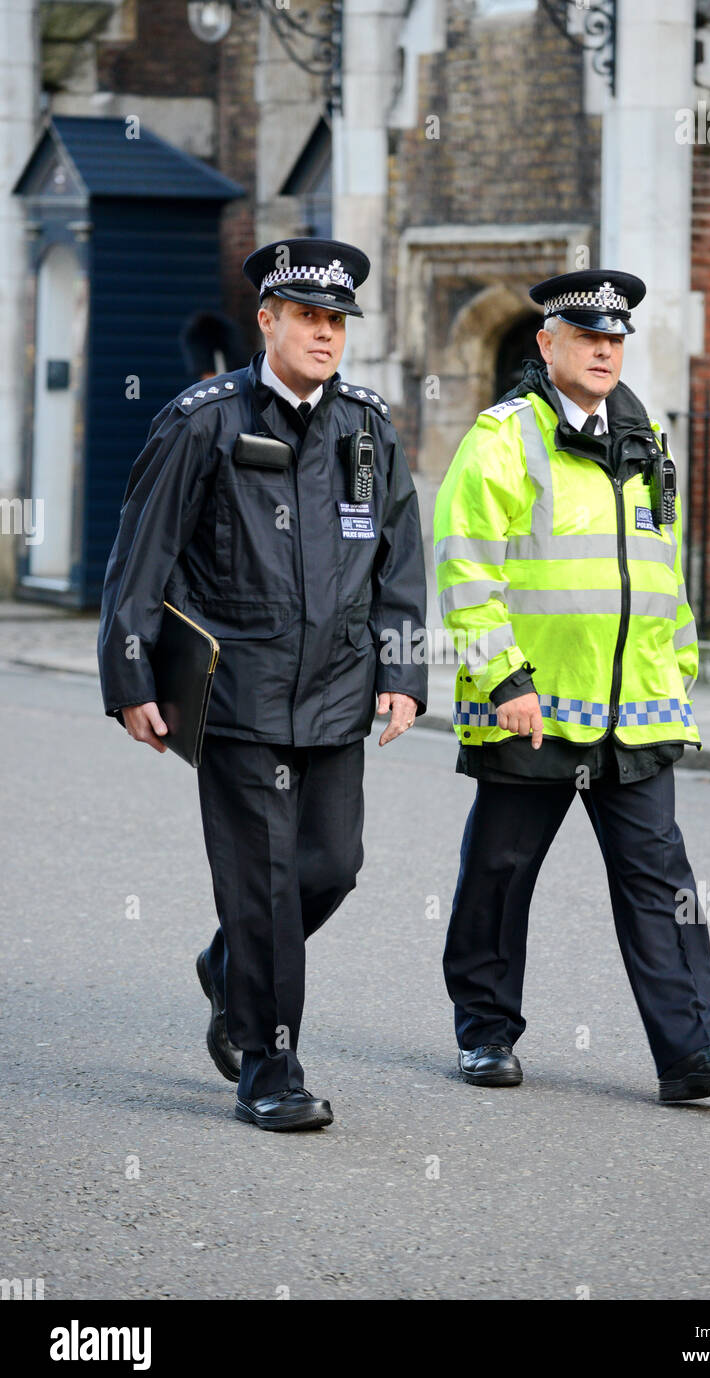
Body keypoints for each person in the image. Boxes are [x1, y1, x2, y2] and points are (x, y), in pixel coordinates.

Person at [98, 238, 427, 1131]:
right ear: (267, 320)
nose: (325, 335)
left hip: (337, 691)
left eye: (336, 321)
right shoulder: (203, 418)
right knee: (265, 883)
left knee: (332, 868)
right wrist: (130, 672)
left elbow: (399, 561)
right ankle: (269, 1070)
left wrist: (403, 670)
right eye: (308, 317)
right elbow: (143, 553)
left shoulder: (366, 425)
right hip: (236, 689)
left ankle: (230, 967)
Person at [433, 269, 710, 1104]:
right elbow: (465, 563)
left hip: (636, 709)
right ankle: (484, 1034)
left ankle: (691, 1054)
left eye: (614, 340)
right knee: (501, 873)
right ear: (547, 345)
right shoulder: (504, 436)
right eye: (587, 338)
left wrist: (679, 673)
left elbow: (664, 570)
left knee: (661, 881)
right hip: (533, 705)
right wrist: (503, 676)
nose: (603, 352)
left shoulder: (648, 441)